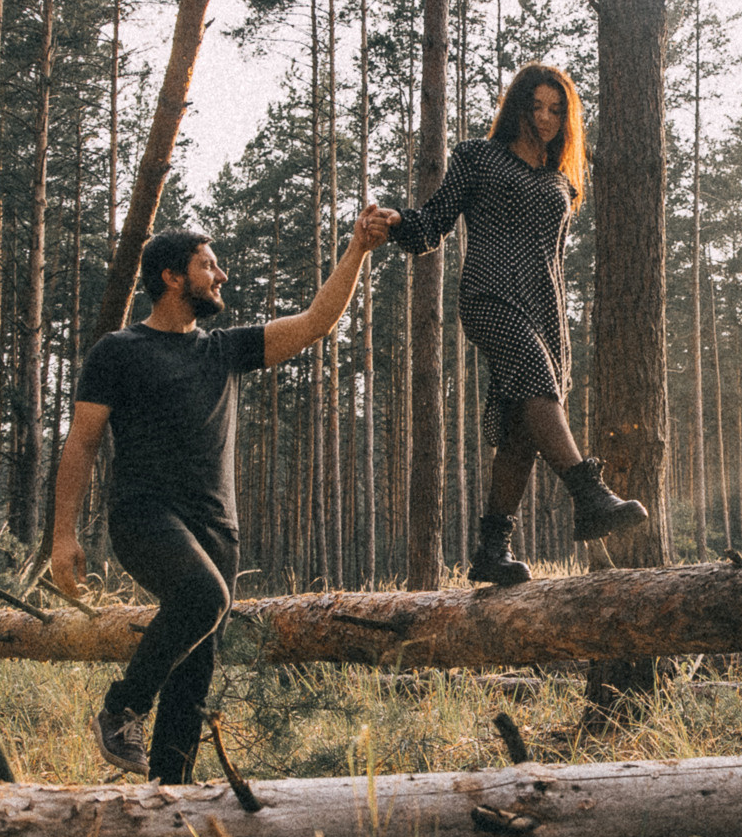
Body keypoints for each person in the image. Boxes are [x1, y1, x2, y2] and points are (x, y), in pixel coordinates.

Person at [51, 213, 396, 780]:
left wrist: (357, 249)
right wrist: (64, 536)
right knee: (202, 598)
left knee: (194, 672)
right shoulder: (118, 351)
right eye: (208, 265)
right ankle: (122, 708)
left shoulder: (224, 351)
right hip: (144, 516)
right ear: (171, 277)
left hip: (218, 528)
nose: (222, 276)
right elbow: (82, 443)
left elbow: (315, 322)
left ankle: (171, 796)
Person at [388, 63, 646, 585]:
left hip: (545, 310)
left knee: (522, 426)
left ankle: (491, 550)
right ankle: (587, 493)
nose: (546, 118)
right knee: (531, 380)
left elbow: (549, 257)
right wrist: (396, 220)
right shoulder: (477, 157)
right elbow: (432, 223)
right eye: (537, 106)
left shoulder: (562, 183)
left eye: (557, 109)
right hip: (488, 296)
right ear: (517, 107)